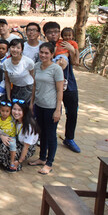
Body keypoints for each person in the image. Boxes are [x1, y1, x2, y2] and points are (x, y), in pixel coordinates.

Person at [43, 22, 80, 154]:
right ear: (45, 34)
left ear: (60, 33)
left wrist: (72, 49)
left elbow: (76, 62)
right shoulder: (44, 48)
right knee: (52, 114)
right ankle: (48, 139)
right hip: (52, 86)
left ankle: (69, 138)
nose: (53, 34)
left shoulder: (65, 43)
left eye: (56, 31)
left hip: (69, 84)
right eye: (50, 32)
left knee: (72, 112)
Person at [29, 42, 64, 175]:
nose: (43, 55)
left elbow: (60, 91)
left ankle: (49, 163)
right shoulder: (37, 66)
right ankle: (42, 158)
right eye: (41, 52)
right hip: (39, 105)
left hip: (51, 107)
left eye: (46, 53)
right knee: (41, 133)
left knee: (51, 135)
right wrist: (32, 103)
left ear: (52, 54)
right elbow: (34, 86)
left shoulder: (56, 69)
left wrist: (57, 110)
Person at [0, 100, 39, 171]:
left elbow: (26, 147)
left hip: (27, 148)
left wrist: (19, 161)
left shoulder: (29, 126)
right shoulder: (13, 120)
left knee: (5, 147)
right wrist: (2, 137)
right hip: (17, 141)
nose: (16, 112)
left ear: (24, 111)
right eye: (14, 109)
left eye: (19, 110)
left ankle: (14, 164)